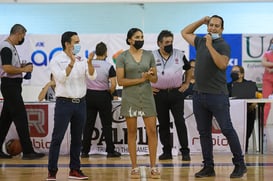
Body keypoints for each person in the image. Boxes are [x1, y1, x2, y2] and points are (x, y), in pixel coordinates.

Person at [181, 15, 247, 178]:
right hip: (199, 95)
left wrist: (210, 45)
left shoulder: (223, 45)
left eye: (217, 26)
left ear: (222, 29)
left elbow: (222, 64)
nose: (213, 28)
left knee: (226, 129)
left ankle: (240, 164)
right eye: (211, 25)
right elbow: (184, 32)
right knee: (203, 132)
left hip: (217, 95)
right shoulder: (200, 41)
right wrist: (201, 21)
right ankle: (208, 166)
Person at [47, 31, 97, 180]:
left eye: (79, 41)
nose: (78, 45)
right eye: (76, 42)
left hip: (80, 103)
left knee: (77, 139)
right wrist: (71, 62)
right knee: (58, 137)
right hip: (64, 103)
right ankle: (52, 172)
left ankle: (75, 170)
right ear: (67, 44)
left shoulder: (82, 59)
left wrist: (89, 63)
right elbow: (61, 78)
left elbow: (92, 76)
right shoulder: (56, 60)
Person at [116, 28, 160, 179]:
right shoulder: (122, 57)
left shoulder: (149, 55)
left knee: (152, 131)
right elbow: (120, 81)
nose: (140, 39)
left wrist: (151, 75)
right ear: (130, 40)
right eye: (137, 37)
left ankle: (153, 166)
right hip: (130, 98)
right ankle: (134, 167)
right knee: (132, 132)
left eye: (142, 36)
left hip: (147, 97)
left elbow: (155, 80)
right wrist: (141, 79)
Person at [0, 24, 45, 160]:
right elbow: (7, 68)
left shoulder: (9, 47)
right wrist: (23, 70)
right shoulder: (6, 47)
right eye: (22, 36)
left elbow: (10, 66)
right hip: (10, 86)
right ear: (18, 33)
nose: (22, 39)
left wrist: (20, 66)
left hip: (12, 86)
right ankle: (28, 151)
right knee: (21, 118)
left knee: (5, 121)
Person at [151, 30, 192, 161]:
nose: (170, 44)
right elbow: (143, 73)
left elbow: (189, 68)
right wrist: (148, 87)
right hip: (159, 94)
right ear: (159, 43)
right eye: (166, 42)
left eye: (171, 42)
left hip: (176, 93)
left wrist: (186, 83)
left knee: (180, 121)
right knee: (163, 124)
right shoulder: (151, 56)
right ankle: (166, 151)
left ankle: (185, 151)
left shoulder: (179, 54)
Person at [81, 42, 121, 158]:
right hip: (103, 96)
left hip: (88, 95)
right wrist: (108, 92)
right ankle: (110, 151)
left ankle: (85, 151)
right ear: (105, 53)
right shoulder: (108, 66)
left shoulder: (89, 64)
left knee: (88, 124)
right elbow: (113, 85)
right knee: (107, 125)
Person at [227, 65, 258, 153]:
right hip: (232, 112)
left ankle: (244, 149)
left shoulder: (250, 84)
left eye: (236, 72)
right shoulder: (227, 86)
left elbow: (256, 96)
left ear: (241, 74)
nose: (233, 74)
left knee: (248, 124)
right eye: (232, 72)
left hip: (248, 111)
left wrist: (254, 102)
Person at [261, 38, 273, 126]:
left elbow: (267, 65)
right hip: (267, 80)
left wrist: (270, 65)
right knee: (266, 102)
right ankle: (263, 123)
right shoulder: (267, 54)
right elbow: (264, 63)